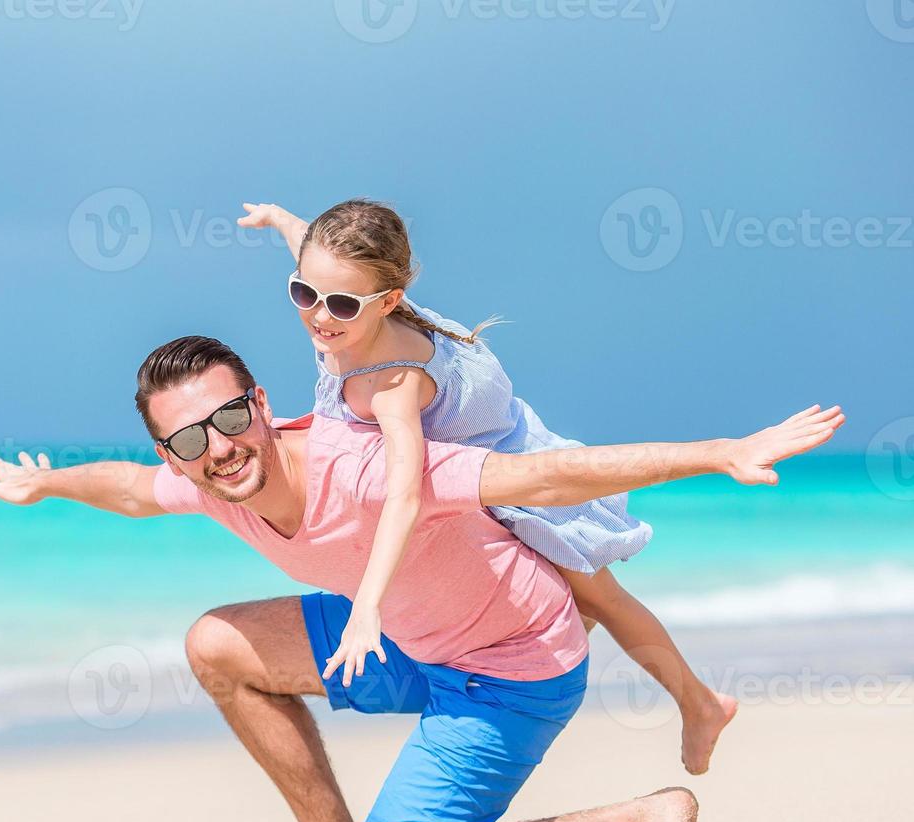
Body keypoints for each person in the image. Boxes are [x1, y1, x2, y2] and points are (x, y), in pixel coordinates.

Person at [0, 335, 842, 822]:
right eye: (189, 439)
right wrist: (47, 483)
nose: (220, 448)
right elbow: (126, 488)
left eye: (229, 419)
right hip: (398, 636)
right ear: (173, 453)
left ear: (262, 404)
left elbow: (543, 479)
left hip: (509, 671)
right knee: (217, 644)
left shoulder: (372, 472)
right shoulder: (206, 482)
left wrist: (719, 453)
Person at [237, 198, 738, 775]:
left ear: (388, 302)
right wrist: (278, 219)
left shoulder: (390, 385)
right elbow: (314, 250)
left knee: (602, 598)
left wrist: (367, 605)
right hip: (492, 450)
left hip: (510, 475)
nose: (320, 316)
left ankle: (700, 704)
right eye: (304, 293)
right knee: (574, 603)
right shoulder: (350, 301)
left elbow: (405, 494)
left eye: (342, 304)